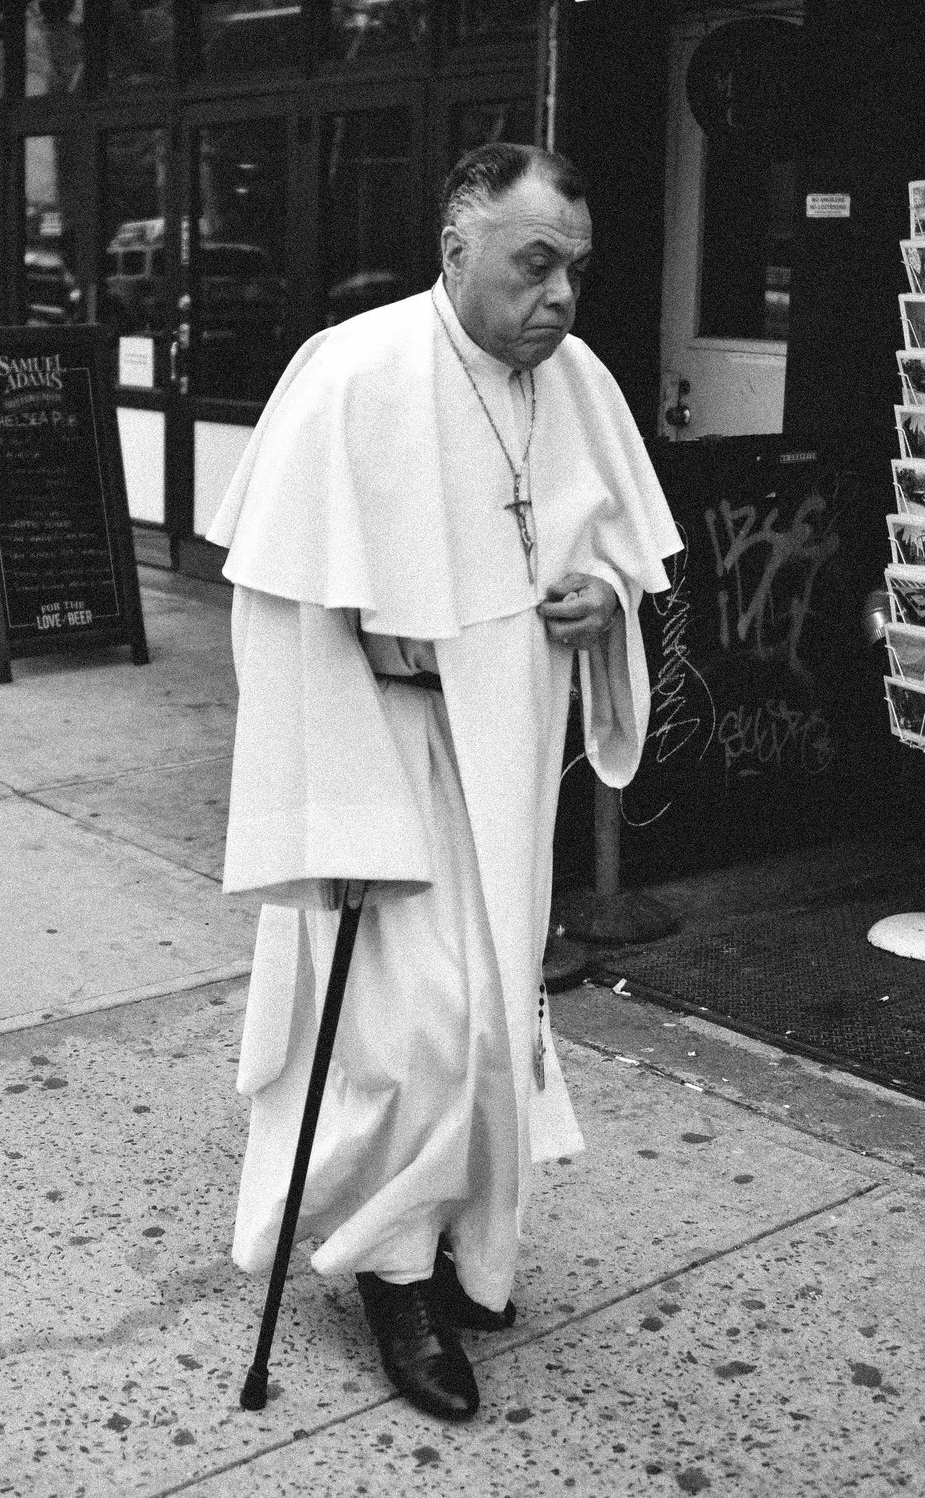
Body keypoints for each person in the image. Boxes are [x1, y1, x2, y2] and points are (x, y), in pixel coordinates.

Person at [208, 144, 680, 1422]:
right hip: (390, 759)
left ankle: (471, 1242)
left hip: (510, 758)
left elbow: (617, 565)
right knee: (412, 1029)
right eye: (537, 264)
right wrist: (341, 784)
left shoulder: (576, 383)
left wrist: (604, 605)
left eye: (576, 268)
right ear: (457, 246)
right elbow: (276, 606)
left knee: (497, 1014)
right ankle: (392, 1273)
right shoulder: (352, 370)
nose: (562, 296)